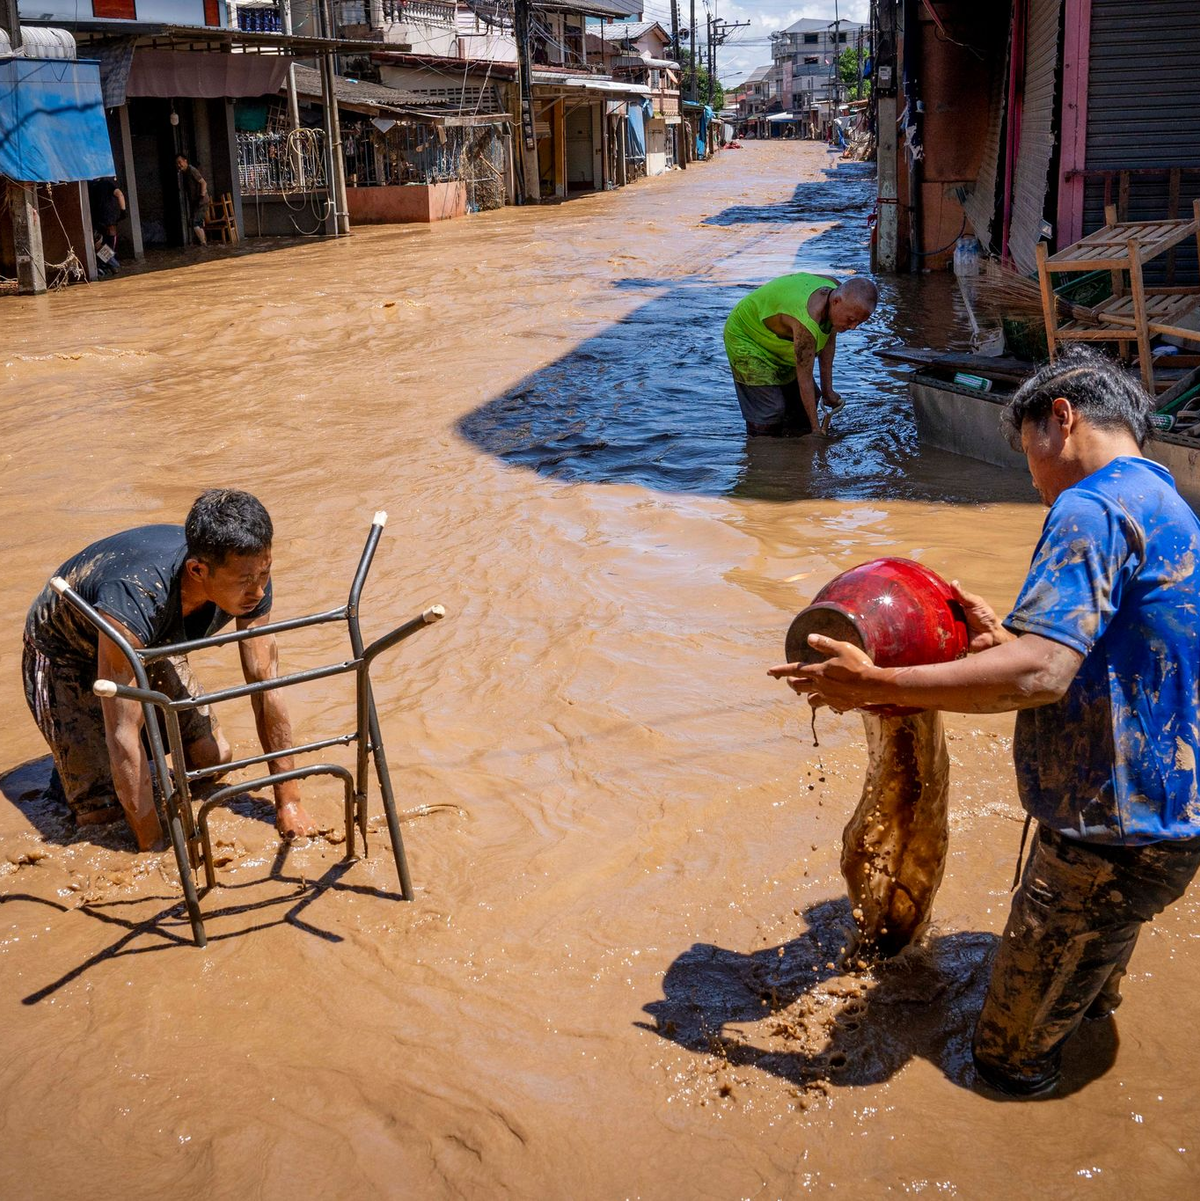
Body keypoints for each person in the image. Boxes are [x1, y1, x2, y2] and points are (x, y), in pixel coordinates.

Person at [768, 348, 1200, 1097]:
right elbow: (1121, 653)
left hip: (1107, 838)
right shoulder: (1165, 503)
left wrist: (877, 682)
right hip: (1167, 817)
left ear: (1061, 418)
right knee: (1087, 991)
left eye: (1028, 450)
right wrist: (1004, 639)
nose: (1033, 479)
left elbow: (1041, 675)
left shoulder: (1091, 506)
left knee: (1005, 1060)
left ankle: (1032, 1116)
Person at [23, 490, 318, 851]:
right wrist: (155, 847)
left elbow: (265, 683)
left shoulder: (250, 572)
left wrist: (289, 802)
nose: (258, 591)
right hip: (66, 652)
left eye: (265, 572)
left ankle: (100, 767)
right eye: (245, 581)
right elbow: (123, 730)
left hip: (152, 639)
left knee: (211, 760)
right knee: (102, 815)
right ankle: (76, 776)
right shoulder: (136, 596)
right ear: (197, 570)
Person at [723, 273, 878, 437]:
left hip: (779, 336)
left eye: (859, 322)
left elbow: (828, 338)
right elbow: (804, 378)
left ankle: (794, 442)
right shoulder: (807, 323)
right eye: (851, 319)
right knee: (771, 410)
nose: (853, 327)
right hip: (745, 335)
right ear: (836, 301)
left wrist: (827, 391)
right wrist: (816, 430)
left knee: (806, 403)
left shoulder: (836, 290)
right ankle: (759, 444)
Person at [88, 175, 126, 272]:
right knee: (110, 241)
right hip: (109, 219)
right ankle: (112, 264)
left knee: (98, 243)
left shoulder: (89, 185)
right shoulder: (107, 184)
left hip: (94, 219)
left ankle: (106, 264)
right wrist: (123, 211)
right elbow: (120, 194)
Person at [176, 153, 208, 247]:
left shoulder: (192, 170)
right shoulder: (185, 173)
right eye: (177, 163)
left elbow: (203, 183)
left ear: (185, 161)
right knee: (198, 223)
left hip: (201, 201)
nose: (179, 165)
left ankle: (203, 243)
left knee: (194, 222)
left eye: (180, 162)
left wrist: (201, 196)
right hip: (196, 201)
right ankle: (203, 243)